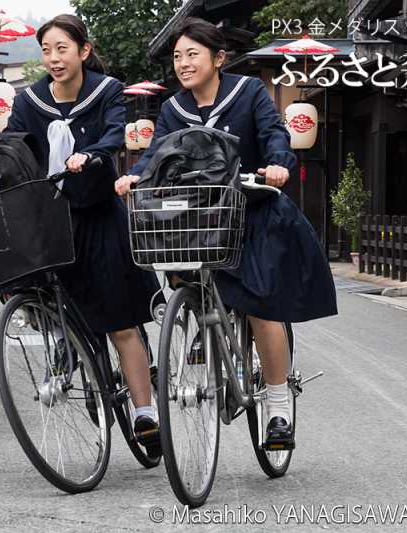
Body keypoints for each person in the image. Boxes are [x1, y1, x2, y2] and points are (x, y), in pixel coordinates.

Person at [116, 17, 337, 448]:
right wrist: (136, 176)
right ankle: (203, 322)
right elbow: (157, 155)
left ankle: (277, 407)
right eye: (178, 56)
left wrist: (277, 165)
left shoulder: (249, 92)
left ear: (218, 59)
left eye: (192, 54)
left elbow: (275, 136)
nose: (183, 63)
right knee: (181, 270)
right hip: (202, 219)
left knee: (262, 308)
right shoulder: (173, 109)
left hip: (251, 212)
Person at [6, 14, 162, 457]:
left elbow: (116, 133)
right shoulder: (29, 100)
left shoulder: (106, 90)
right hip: (52, 220)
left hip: (98, 216)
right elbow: (17, 145)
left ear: (83, 51)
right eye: (46, 50)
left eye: (62, 49)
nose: (53, 58)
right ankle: (70, 359)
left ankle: (144, 412)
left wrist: (92, 154)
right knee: (58, 309)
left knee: (119, 322)